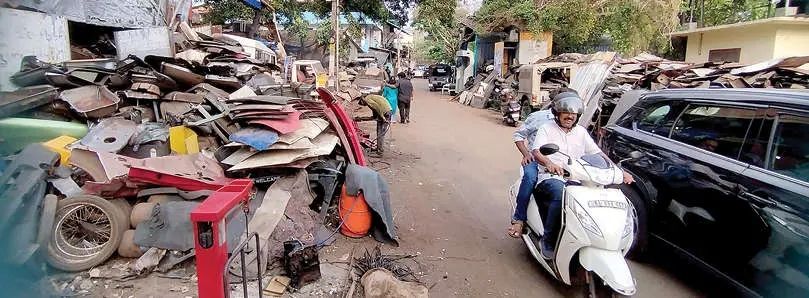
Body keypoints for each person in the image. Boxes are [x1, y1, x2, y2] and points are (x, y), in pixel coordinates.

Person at [508, 93, 634, 259]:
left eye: (573, 115)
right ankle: (548, 240)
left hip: (576, 176)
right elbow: (537, 150)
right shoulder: (546, 128)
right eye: (566, 113)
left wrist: (619, 170)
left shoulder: (581, 132)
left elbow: (598, 153)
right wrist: (549, 163)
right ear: (557, 113)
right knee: (560, 194)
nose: (569, 117)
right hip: (550, 176)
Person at [507, 90, 578, 239]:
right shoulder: (538, 118)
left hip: (562, 162)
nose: (570, 109)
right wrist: (526, 154)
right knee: (530, 178)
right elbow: (519, 136)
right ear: (554, 104)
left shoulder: (573, 122)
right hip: (536, 159)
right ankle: (519, 219)